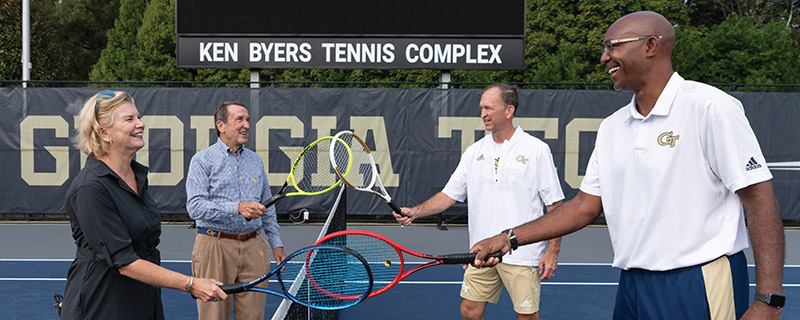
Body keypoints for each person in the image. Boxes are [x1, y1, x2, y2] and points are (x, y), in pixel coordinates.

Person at [469, 11, 785, 319]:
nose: (605, 57)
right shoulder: (612, 127)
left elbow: (759, 198)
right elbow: (583, 207)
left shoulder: (710, 107)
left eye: (613, 46)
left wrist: (768, 300)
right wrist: (508, 238)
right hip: (633, 284)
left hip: (699, 281)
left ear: (650, 46)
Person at [394, 83, 564, 320]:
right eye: (481, 108)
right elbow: (448, 195)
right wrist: (415, 211)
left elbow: (554, 206)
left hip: (523, 253)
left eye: (488, 108)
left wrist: (552, 251)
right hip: (481, 252)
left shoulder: (536, 150)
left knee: (526, 317)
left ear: (509, 110)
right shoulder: (474, 152)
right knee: (470, 312)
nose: (482, 114)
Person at [62, 91, 227, 320]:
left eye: (138, 117)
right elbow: (125, 262)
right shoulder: (90, 188)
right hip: (102, 304)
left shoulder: (135, 175)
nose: (140, 124)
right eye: (129, 119)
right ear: (103, 133)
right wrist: (190, 284)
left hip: (143, 300)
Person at [186, 101, 287, 320]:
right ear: (220, 125)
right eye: (239, 119)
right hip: (215, 247)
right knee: (214, 316)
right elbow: (195, 207)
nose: (246, 125)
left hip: (255, 248)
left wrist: (276, 242)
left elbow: (267, 206)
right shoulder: (202, 160)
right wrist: (237, 208)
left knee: (253, 316)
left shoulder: (255, 161)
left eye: (248, 120)